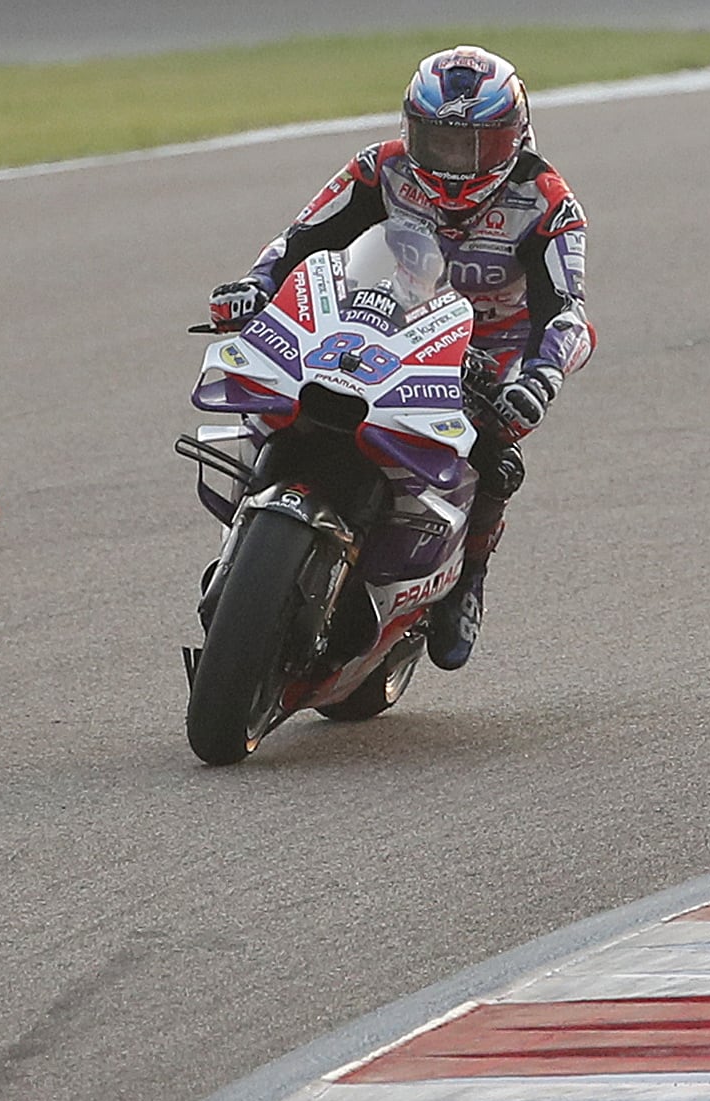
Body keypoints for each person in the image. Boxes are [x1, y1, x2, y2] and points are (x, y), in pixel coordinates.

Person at [206, 44, 593, 669]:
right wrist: (254, 286)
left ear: (514, 140)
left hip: (489, 351)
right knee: (287, 389)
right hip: (387, 316)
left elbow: (568, 311)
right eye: (437, 140)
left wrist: (542, 378)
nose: (453, 163)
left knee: (496, 458)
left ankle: (466, 579)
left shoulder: (548, 202)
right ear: (409, 128)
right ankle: (252, 522)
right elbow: (300, 240)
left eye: (475, 147)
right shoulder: (379, 168)